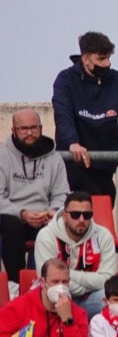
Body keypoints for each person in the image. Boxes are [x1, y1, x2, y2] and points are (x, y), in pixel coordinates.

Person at [51, 32, 118, 195]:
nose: (107, 63)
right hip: (75, 162)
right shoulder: (66, 79)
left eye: (109, 58)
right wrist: (72, 142)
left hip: (105, 162)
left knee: (109, 195)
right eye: (101, 59)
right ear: (85, 59)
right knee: (94, 198)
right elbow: (63, 115)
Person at [1, 110, 70, 287]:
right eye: (23, 128)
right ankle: (15, 284)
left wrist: (52, 212)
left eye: (33, 128)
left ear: (40, 128)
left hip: (43, 216)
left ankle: (38, 283)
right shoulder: (3, 157)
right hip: (12, 217)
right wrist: (22, 213)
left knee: (54, 226)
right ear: (13, 131)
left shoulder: (54, 158)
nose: (29, 133)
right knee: (11, 226)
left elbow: (62, 194)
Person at [34, 190, 116, 317]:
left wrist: (68, 275)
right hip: (55, 297)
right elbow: (48, 280)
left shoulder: (103, 236)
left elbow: (108, 280)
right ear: (65, 216)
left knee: (110, 299)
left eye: (87, 215)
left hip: (89, 299)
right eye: (75, 215)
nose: (81, 220)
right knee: (46, 291)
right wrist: (91, 283)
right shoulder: (46, 236)